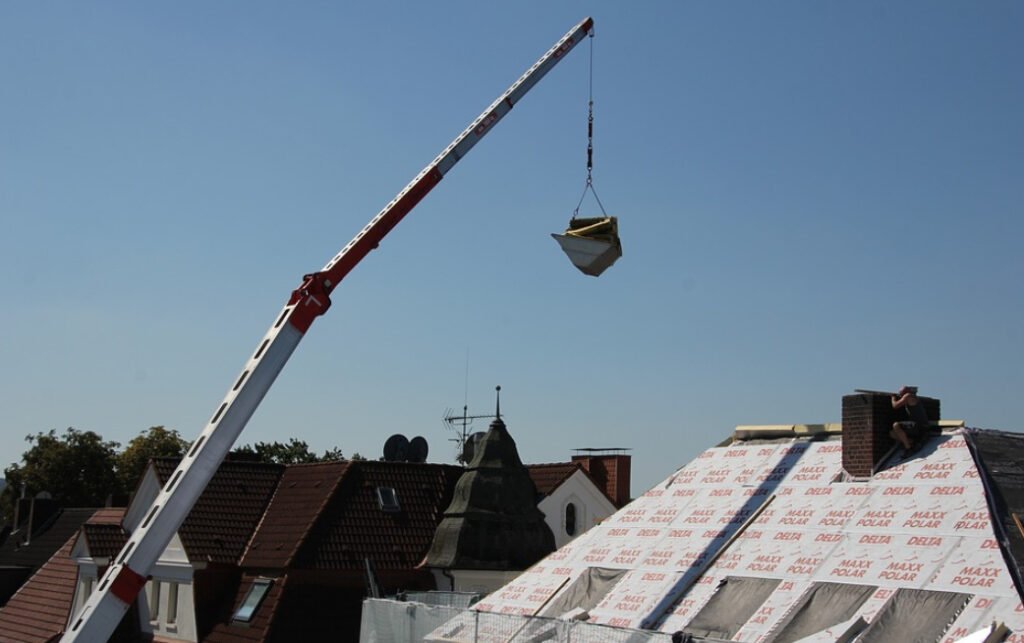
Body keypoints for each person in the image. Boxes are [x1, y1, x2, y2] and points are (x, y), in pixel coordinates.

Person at [890, 386, 929, 457]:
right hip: (917, 426)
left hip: (920, 425)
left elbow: (895, 406)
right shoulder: (911, 397)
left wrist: (893, 398)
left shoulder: (908, 396)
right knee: (892, 434)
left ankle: (908, 449)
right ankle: (913, 442)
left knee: (896, 425)